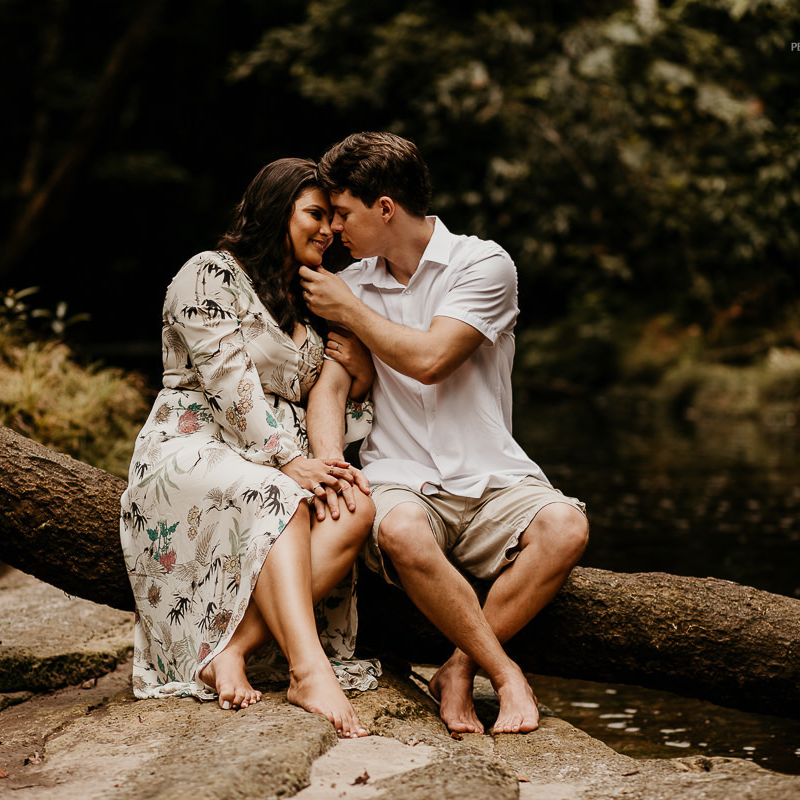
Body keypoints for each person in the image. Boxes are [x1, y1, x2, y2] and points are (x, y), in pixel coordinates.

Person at [300, 132, 590, 735]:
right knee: (402, 529)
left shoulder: (483, 265)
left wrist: (349, 310)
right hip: (402, 478)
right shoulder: (351, 283)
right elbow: (329, 388)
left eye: (345, 213)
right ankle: (507, 675)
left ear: (385, 208)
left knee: (567, 526)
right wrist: (329, 459)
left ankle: (459, 667)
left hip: (491, 476)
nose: (335, 230)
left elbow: (432, 358)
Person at [120, 157, 379, 738]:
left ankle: (231, 646)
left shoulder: (313, 306)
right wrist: (289, 460)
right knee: (277, 492)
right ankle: (307, 668)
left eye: (332, 221)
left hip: (280, 455)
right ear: (274, 210)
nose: (329, 230)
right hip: (194, 442)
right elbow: (227, 382)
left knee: (355, 505)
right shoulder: (209, 274)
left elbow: (339, 407)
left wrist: (359, 376)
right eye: (314, 214)